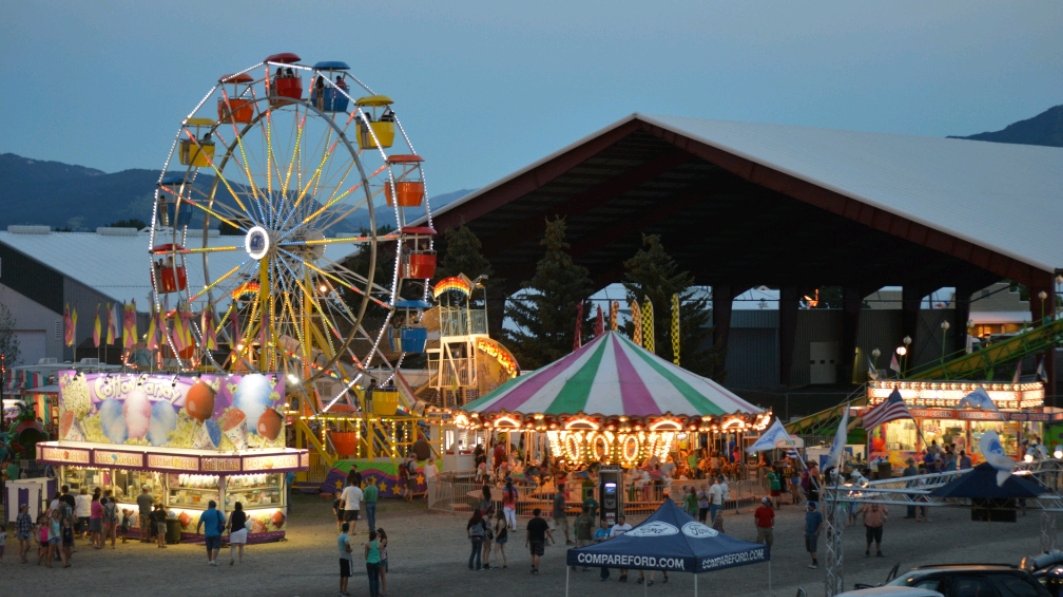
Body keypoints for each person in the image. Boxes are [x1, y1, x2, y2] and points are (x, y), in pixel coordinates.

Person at [196, 500, 226, 566]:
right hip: (216, 533)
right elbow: (224, 521)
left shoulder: (205, 513)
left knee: (209, 548)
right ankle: (213, 560)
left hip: (207, 533)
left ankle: (209, 560)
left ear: (209, 505)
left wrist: (197, 531)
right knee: (216, 547)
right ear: (215, 506)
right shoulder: (218, 512)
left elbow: (200, 522)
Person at [525, 507, 553, 575]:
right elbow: (548, 531)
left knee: (533, 554)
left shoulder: (530, 521)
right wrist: (552, 538)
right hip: (539, 539)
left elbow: (528, 532)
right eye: (541, 512)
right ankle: (536, 569)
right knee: (537, 554)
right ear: (539, 513)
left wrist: (526, 541)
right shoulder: (542, 521)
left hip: (532, 539)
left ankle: (532, 566)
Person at [608, 515, 633, 581]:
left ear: (624, 520)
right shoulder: (614, 527)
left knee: (626, 561)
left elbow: (631, 536)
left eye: (621, 520)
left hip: (626, 546)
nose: (619, 521)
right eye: (619, 520)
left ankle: (625, 574)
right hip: (618, 546)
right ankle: (622, 574)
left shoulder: (628, 526)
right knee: (619, 561)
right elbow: (611, 536)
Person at [805, 501, 823, 569]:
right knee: (809, 548)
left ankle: (815, 562)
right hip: (808, 532)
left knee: (812, 548)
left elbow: (820, 523)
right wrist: (805, 530)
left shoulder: (818, 514)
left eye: (809, 506)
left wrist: (817, 532)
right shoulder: (808, 513)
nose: (808, 507)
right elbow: (806, 522)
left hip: (813, 533)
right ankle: (813, 560)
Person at [364, 529, 383, 597]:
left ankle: (373, 594)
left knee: (371, 580)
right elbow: (380, 554)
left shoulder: (367, 544)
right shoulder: (379, 544)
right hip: (377, 562)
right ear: (375, 536)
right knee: (376, 578)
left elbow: (366, 555)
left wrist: (368, 558)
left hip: (370, 563)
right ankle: (377, 593)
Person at [338, 522, 353, 597]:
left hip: (341, 557)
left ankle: (341, 590)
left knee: (342, 575)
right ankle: (345, 591)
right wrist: (349, 549)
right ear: (348, 529)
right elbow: (347, 544)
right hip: (346, 557)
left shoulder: (340, 535)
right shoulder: (346, 536)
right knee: (346, 575)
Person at [377, 528, 389, 596]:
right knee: (379, 576)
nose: (377, 534)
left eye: (378, 533)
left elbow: (380, 549)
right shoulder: (379, 539)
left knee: (382, 576)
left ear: (381, 533)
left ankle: (384, 591)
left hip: (382, 559)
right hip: (379, 559)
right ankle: (380, 590)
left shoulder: (384, 540)